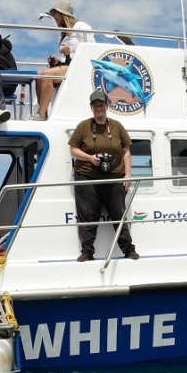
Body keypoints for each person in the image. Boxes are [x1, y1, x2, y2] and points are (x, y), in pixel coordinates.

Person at [69, 91, 138, 262]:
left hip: (114, 178)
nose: (98, 108)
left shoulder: (117, 126)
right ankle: (87, 252)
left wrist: (128, 175)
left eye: (101, 105)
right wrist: (90, 158)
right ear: (91, 108)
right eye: (95, 106)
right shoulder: (84, 126)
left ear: (107, 106)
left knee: (118, 215)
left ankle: (128, 250)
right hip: (87, 177)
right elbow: (73, 150)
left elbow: (126, 152)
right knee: (88, 217)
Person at [29, 0, 95, 121]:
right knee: (39, 76)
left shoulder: (82, 27)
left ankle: (42, 114)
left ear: (63, 14)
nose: (54, 17)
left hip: (79, 67)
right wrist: (56, 62)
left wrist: (71, 49)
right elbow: (67, 56)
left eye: (56, 13)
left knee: (47, 75)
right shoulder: (62, 33)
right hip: (68, 65)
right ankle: (42, 114)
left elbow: (91, 48)